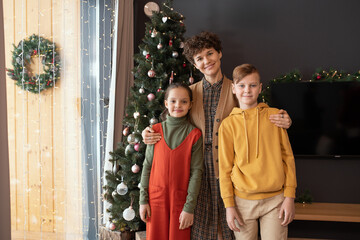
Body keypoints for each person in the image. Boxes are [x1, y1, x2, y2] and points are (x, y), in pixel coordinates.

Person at [142, 31, 292, 240]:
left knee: (232, 229)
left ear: (220, 54)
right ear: (195, 65)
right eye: (199, 59)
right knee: (202, 230)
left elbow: (259, 112)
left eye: (210, 54)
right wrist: (147, 131)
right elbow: (170, 122)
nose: (206, 61)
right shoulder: (190, 93)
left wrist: (284, 118)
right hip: (199, 171)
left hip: (231, 173)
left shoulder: (237, 88)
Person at [218, 64, 297, 240]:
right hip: (242, 203)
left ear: (260, 88)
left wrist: (289, 197)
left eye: (253, 85)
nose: (247, 90)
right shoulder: (228, 125)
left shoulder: (275, 116)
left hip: (276, 200)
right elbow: (224, 169)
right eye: (242, 85)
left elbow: (288, 158)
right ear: (233, 88)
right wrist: (229, 206)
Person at [139, 83, 203, 240]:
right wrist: (143, 201)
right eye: (173, 101)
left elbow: (196, 173)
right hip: (155, 201)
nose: (178, 105)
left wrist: (189, 208)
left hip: (180, 203)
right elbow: (147, 167)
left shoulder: (194, 135)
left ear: (190, 105)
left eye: (184, 101)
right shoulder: (154, 131)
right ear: (166, 103)